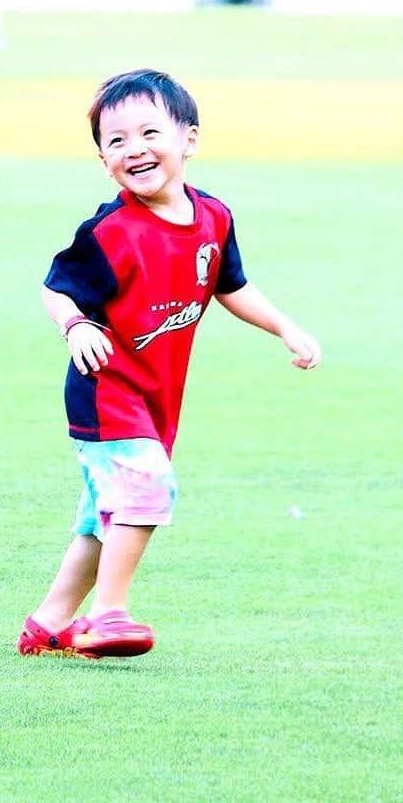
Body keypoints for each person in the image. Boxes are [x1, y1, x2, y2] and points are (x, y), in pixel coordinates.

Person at [18, 69, 321, 659]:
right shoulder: (111, 232)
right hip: (105, 393)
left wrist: (286, 326)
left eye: (149, 132)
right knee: (146, 492)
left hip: (157, 397)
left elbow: (230, 285)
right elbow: (55, 288)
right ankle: (107, 615)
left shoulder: (213, 218)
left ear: (189, 139)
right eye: (116, 141)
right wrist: (76, 324)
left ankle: (49, 622)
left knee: (104, 518)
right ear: (104, 160)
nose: (134, 149)